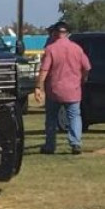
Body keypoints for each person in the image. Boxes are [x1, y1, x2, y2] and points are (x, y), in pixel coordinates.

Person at [34, 21, 91, 155]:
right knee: (75, 116)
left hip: (54, 90)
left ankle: (50, 146)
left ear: (55, 33)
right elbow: (87, 67)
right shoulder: (77, 48)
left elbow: (44, 69)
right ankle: (75, 143)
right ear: (67, 34)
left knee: (51, 119)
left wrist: (38, 86)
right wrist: (83, 79)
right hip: (73, 90)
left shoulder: (51, 49)